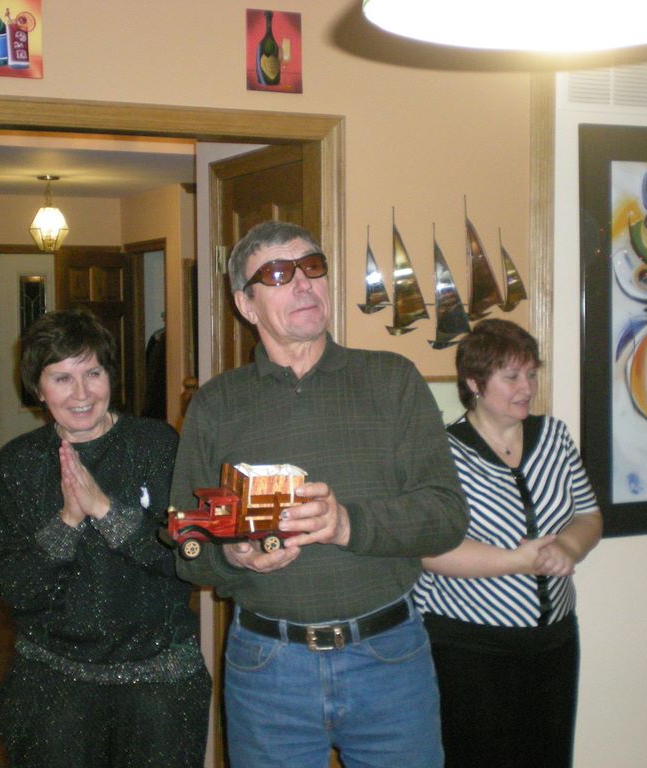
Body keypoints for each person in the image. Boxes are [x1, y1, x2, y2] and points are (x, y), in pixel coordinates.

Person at [172, 220, 468, 768]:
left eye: (312, 266)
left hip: (390, 660)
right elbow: (187, 549)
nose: (304, 283)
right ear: (246, 304)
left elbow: (447, 516)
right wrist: (233, 556)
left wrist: (347, 524)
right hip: (267, 670)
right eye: (277, 274)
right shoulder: (215, 405)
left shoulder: (393, 381)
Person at [0, 308, 210, 768]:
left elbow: (187, 560)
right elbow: (15, 587)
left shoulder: (156, 445)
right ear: (38, 389)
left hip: (160, 683)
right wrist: (67, 520)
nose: (82, 393)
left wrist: (106, 510)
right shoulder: (17, 466)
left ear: (110, 376)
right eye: (62, 378)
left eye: (93, 373)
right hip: (52, 685)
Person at [413, 318, 602, 768]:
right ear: (474, 382)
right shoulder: (441, 453)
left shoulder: (554, 437)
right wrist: (518, 560)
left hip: (554, 641)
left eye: (531, 374)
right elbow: (428, 549)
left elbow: (588, 515)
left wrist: (568, 548)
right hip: (469, 648)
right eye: (512, 376)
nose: (527, 387)